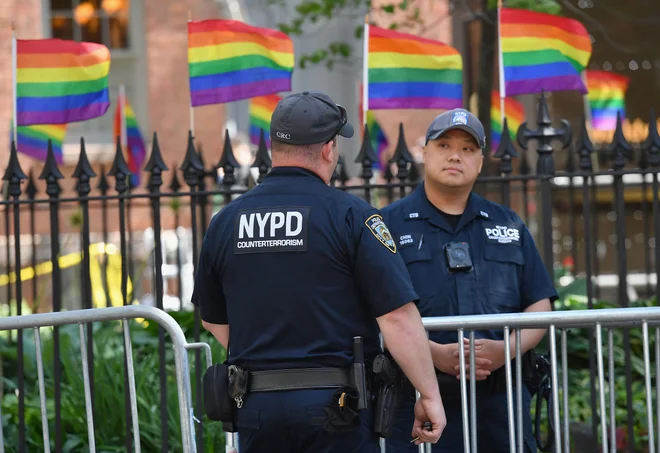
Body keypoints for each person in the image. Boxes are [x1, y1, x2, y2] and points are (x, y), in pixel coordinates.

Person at [191, 90, 446, 453]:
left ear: (275, 146)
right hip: (335, 409)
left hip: (256, 408)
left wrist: (270, 353)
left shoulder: (225, 222)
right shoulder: (352, 216)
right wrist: (430, 395)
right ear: (328, 149)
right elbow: (397, 317)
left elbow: (213, 319)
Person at [381, 108, 557, 453]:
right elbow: (369, 309)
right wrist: (427, 353)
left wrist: (504, 350)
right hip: (416, 401)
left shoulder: (508, 224)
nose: (454, 156)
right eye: (444, 145)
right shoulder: (387, 224)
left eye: (467, 149)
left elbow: (540, 303)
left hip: (501, 403)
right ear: (425, 153)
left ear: (479, 162)